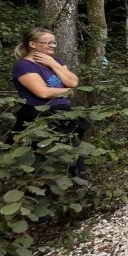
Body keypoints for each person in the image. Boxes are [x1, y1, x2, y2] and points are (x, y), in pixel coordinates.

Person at [10, 27, 84, 174]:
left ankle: (74, 181)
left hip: (63, 112)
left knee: (70, 148)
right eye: (48, 43)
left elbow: (73, 82)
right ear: (32, 44)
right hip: (39, 114)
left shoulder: (55, 61)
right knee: (42, 153)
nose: (53, 46)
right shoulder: (24, 65)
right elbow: (42, 92)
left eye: (54, 43)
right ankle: (76, 182)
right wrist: (66, 92)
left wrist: (53, 64)